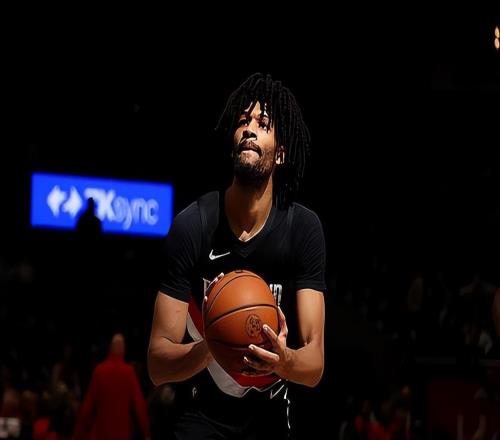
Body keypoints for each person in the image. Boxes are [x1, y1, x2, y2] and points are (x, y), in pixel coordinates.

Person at [148, 72, 326, 439]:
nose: (249, 129)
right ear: (232, 145)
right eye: (243, 121)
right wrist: (210, 346)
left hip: (268, 415)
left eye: (263, 124)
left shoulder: (302, 229)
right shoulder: (194, 225)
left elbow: (314, 366)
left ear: (280, 153)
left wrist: (284, 360)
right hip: (199, 414)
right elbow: (157, 364)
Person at [75, 333, 150, 440]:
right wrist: (146, 432)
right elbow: (139, 405)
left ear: (110, 348)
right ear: (123, 350)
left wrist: (79, 432)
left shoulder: (99, 371)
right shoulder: (128, 372)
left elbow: (87, 406)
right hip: (122, 433)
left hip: (102, 433)